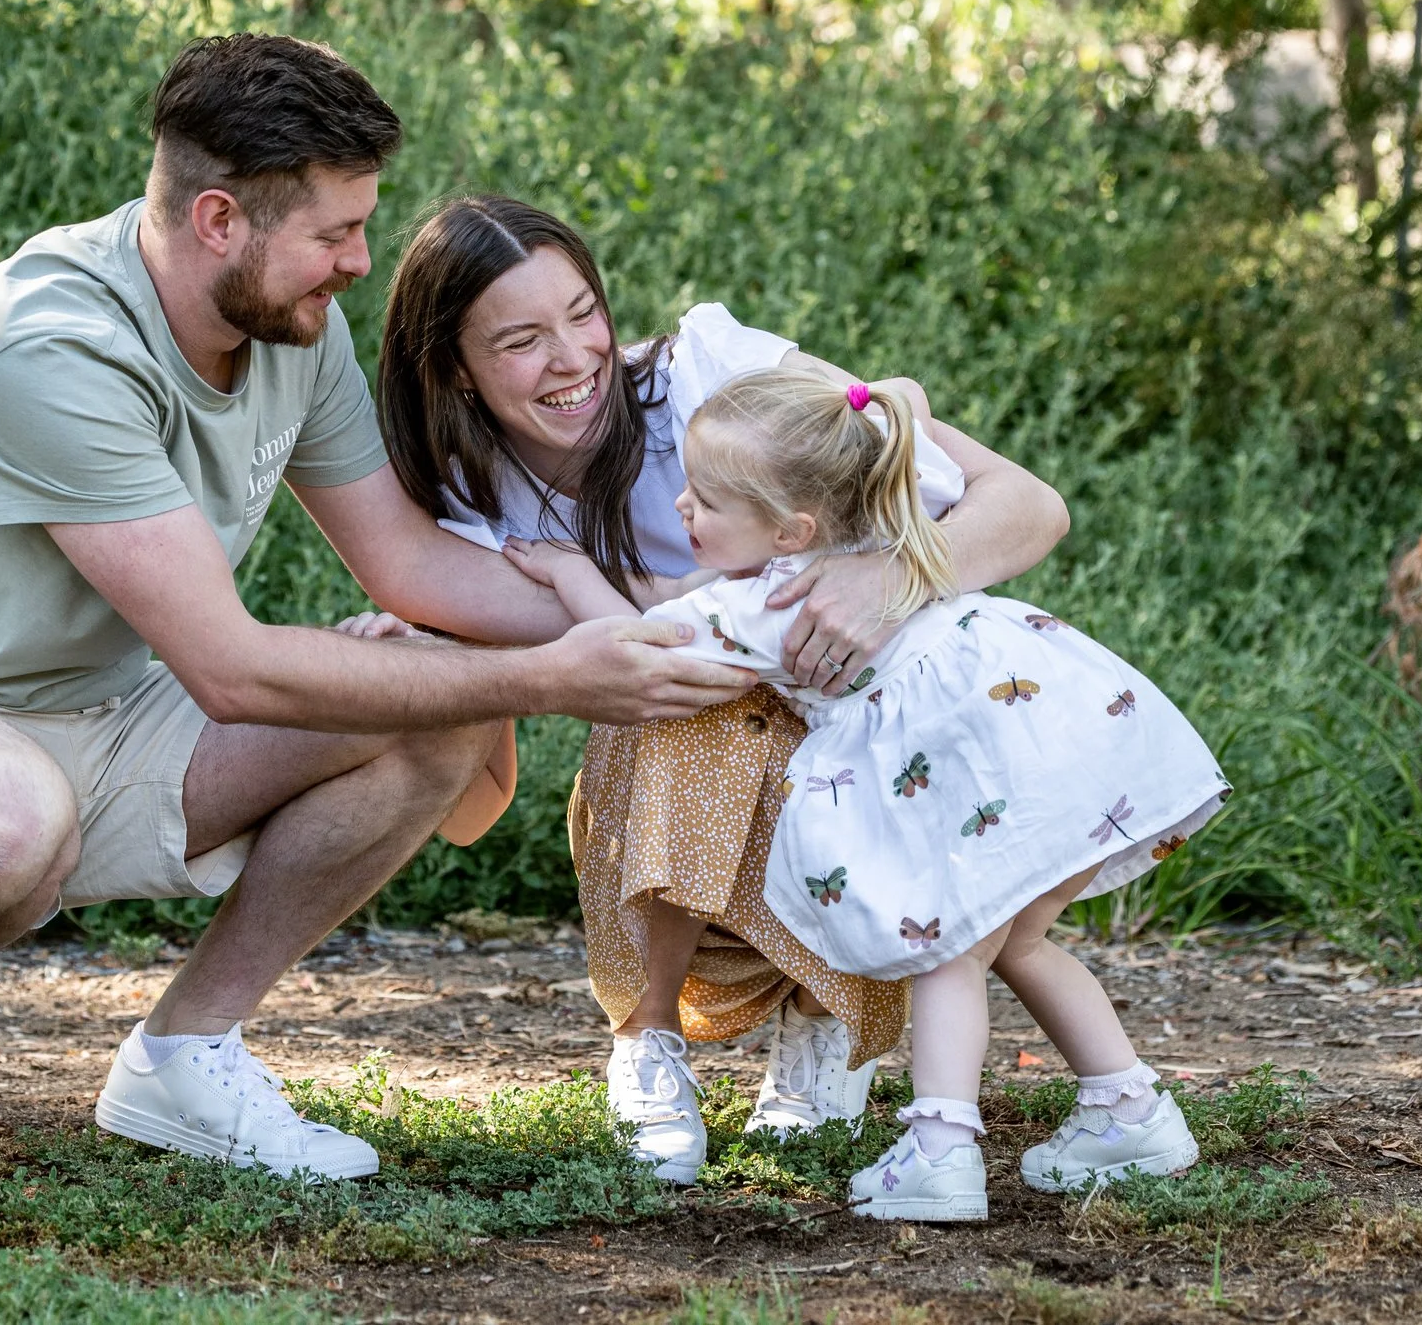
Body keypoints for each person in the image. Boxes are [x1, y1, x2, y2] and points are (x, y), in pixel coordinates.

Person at [0, 37, 754, 1191]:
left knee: (433, 701)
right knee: (7, 821)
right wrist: (559, 676)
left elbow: (409, 566)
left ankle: (183, 1054)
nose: (361, 262)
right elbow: (231, 670)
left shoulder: (290, 330)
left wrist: (665, 615)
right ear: (220, 220)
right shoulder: (47, 348)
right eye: (333, 234)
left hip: (112, 716)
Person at [377, 196, 1071, 1185]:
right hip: (678, 761)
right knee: (669, 681)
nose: (574, 358)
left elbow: (1029, 506)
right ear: (452, 366)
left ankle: (822, 1026)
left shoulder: (711, 377)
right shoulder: (469, 496)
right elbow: (524, 723)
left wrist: (886, 577)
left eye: (583, 313)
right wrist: (410, 653)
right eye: (523, 340)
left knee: (747, 686)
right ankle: (647, 1041)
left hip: (853, 725)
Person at [507, 366, 1230, 1222]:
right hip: (1056, 730)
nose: (681, 511)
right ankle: (1130, 1110)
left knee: (946, 951)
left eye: (703, 499)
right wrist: (880, 401)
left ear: (790, 528)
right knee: (1019, 942)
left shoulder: (774, 601)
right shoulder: (894, 503)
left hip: (974, 768)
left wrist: (563, 570)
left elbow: (643, 635)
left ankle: (941, 1152)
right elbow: (908, 403)